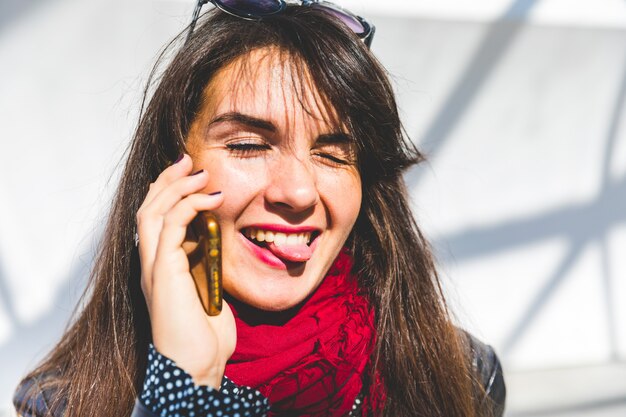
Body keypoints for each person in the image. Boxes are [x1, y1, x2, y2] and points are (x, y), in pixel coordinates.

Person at [13, 1, 506, 416]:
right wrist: (184, 382)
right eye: (248, 144)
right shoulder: (59, 403)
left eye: (333, 154)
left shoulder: (464, 379)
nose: (297, 193)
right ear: (169, 171)